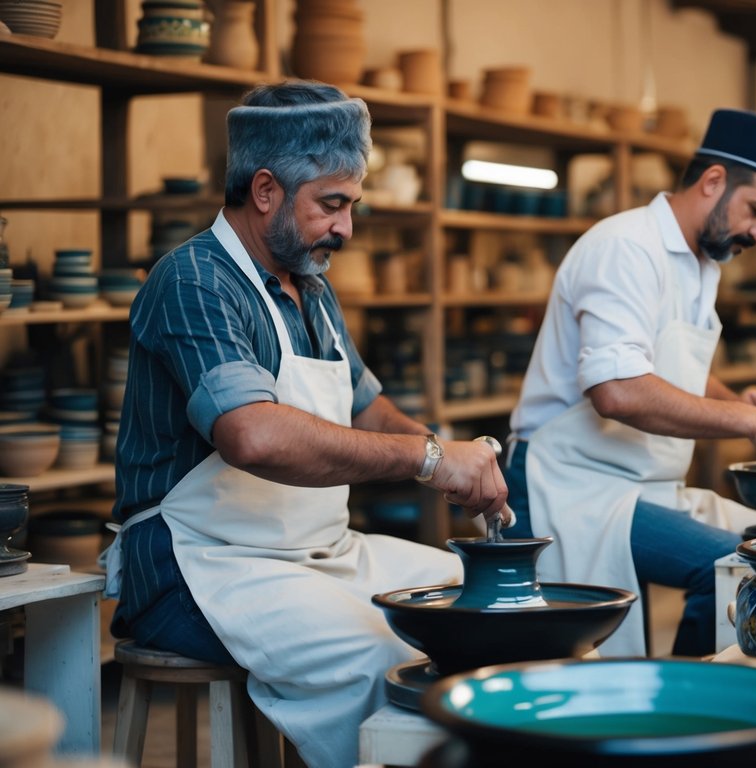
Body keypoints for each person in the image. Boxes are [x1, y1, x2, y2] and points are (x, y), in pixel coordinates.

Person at [101, 81, 509, 768]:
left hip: (312, 551)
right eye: (332, 204)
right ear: (265, 191)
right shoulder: (194, 282)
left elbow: (365, 407)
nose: (347, 227)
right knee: (381, 655)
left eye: (350, 204)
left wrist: (458, 464)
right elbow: (252, 435)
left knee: (482, 609)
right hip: (199, 564)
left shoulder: (308, 287)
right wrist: (430, 457)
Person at [503, 109, 756, 657]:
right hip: (568, 484)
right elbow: (617, 389)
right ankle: (690, 712)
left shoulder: (701, 262)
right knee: (734, 569)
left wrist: (736, 401)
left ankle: (688, 702)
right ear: (713, 181)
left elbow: (665, 365)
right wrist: (749, 421)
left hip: (636, 483)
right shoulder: (627, 247)